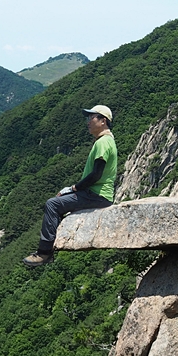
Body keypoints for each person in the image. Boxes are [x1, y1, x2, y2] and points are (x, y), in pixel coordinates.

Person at [22, 105, 118, 267]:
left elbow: (96, 175)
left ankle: (44, 253)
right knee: (59, 202)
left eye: (92, 118)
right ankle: (53, 243)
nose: (88, 122)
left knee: (52, 204)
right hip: (97, 194)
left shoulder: (103, 143)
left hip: (96, 195)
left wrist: (74, 188)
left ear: (103, 121)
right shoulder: (107, 141)